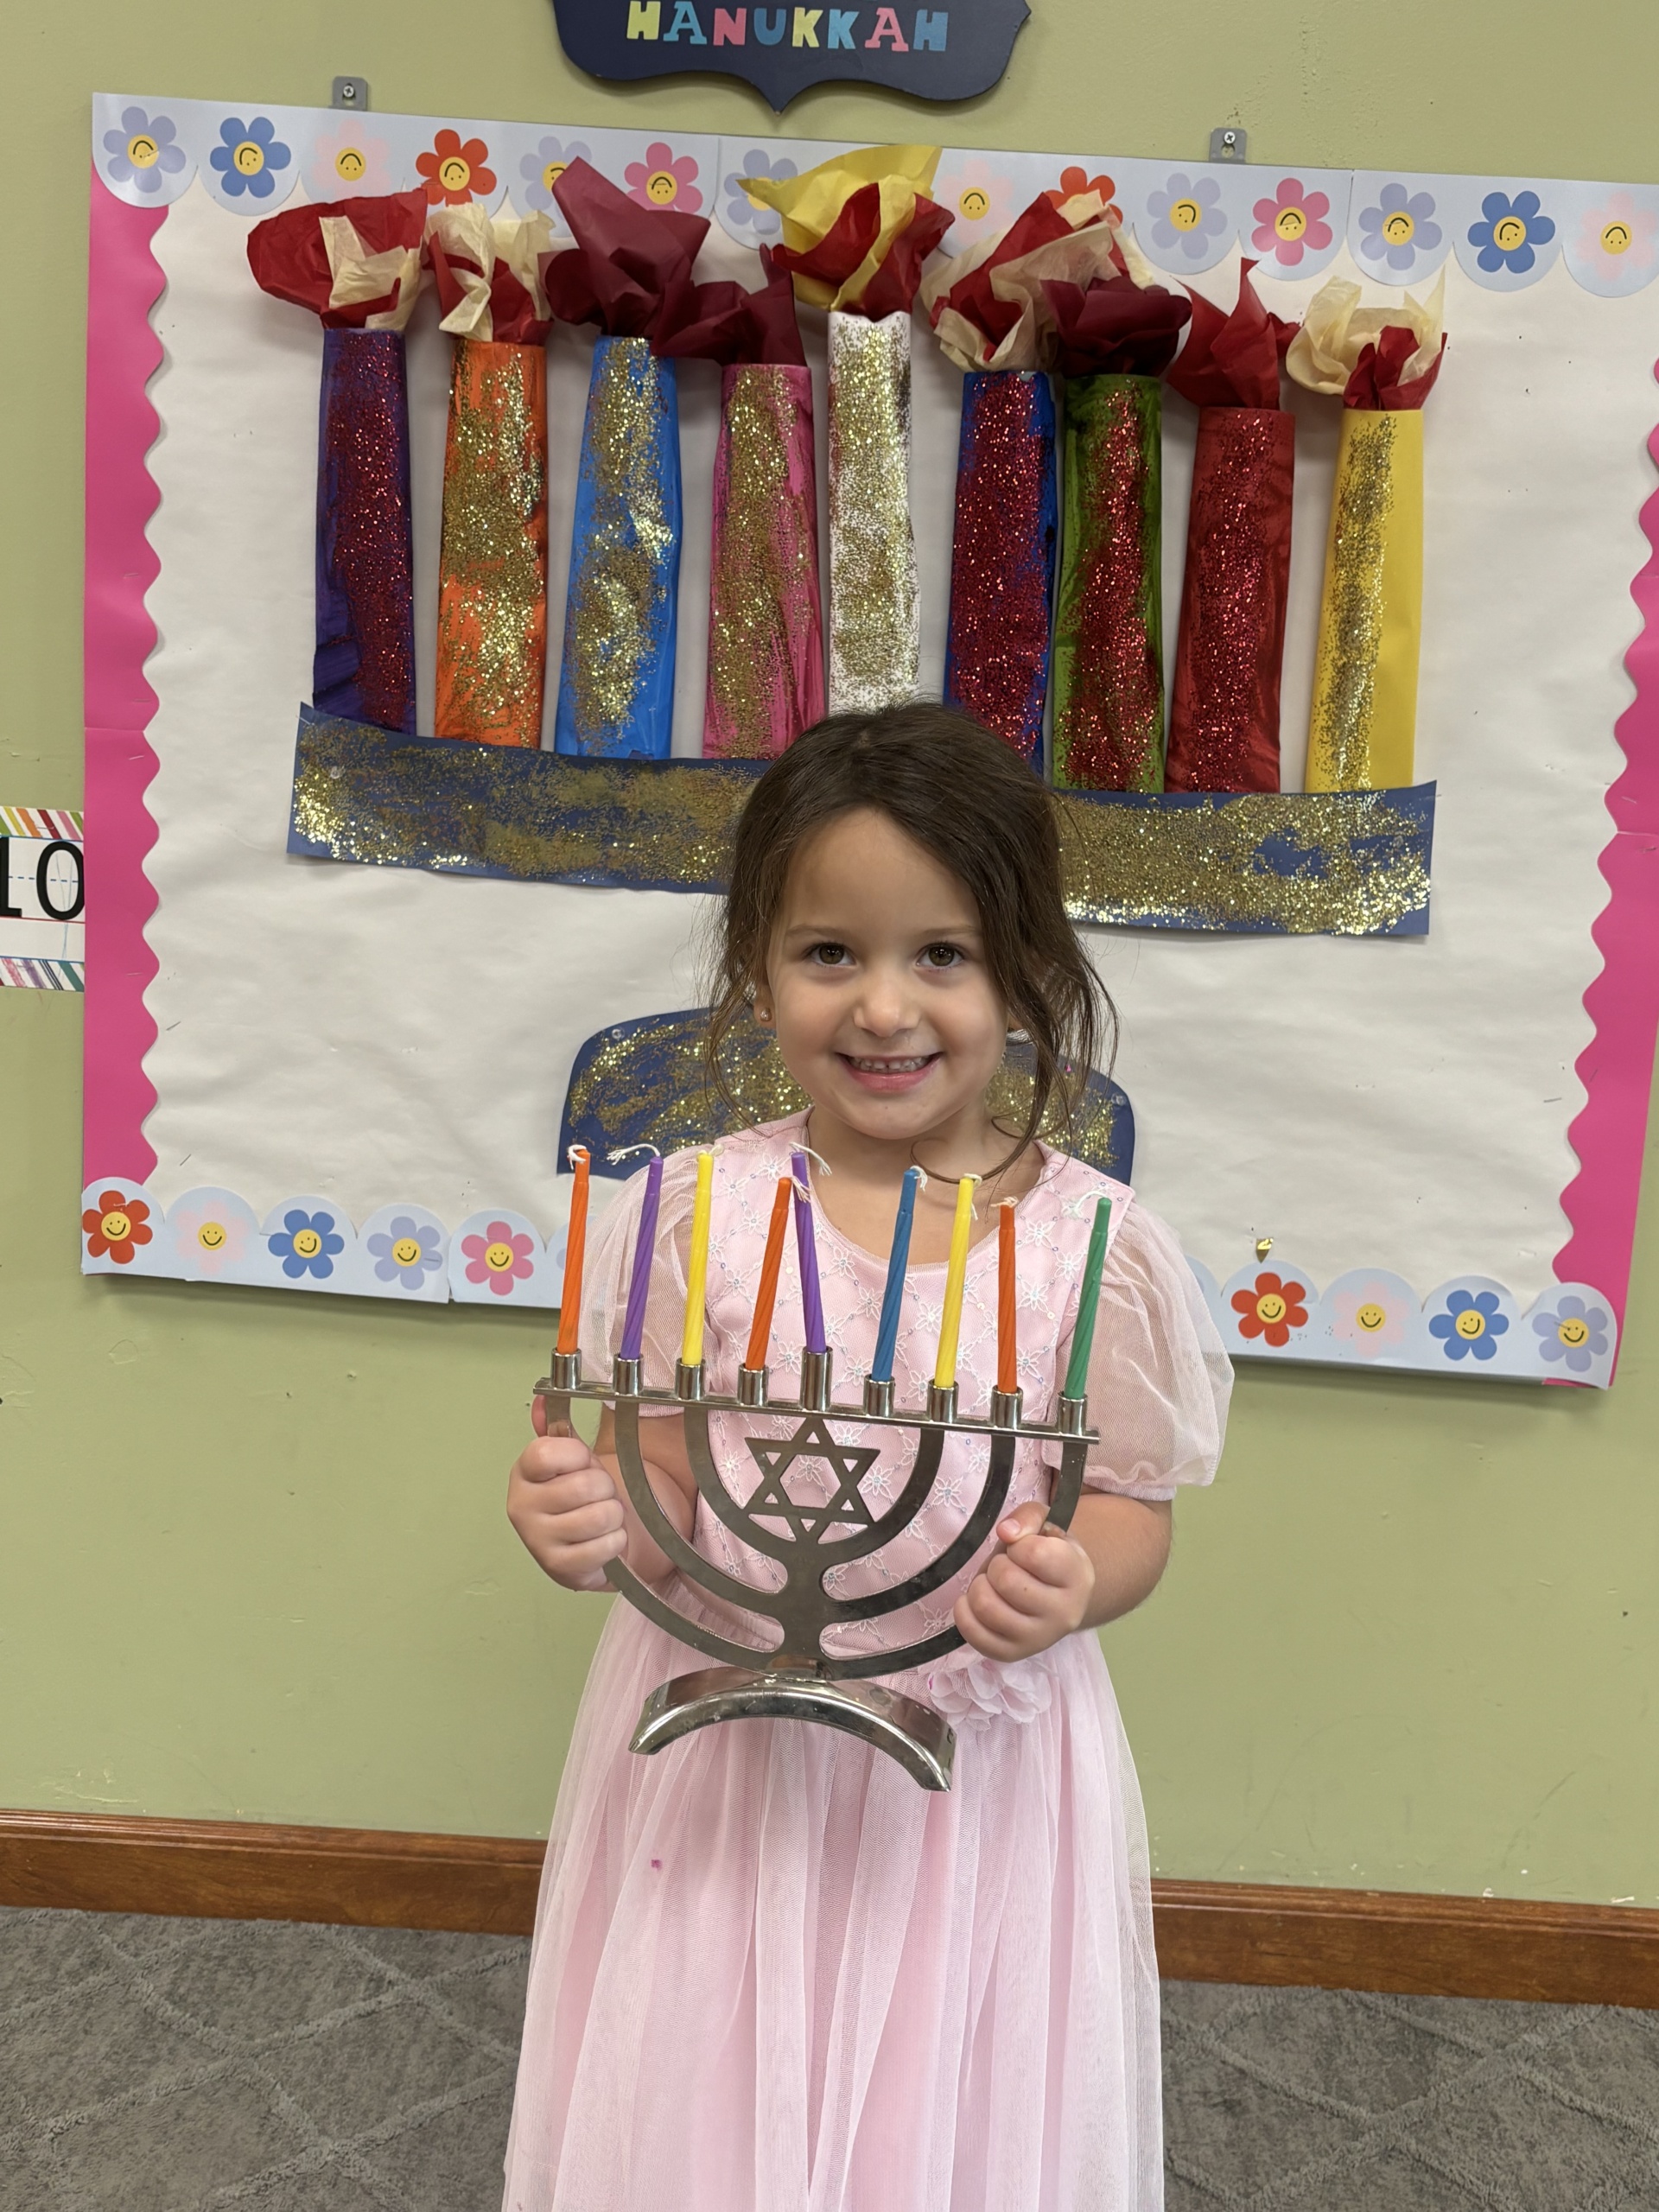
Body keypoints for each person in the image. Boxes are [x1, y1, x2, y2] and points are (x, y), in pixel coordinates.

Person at [502, 704, 1231, 2212]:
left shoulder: (1094, 1248)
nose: (884, 1007)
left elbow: (1129, 1507)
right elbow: (665, 1472)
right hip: (732, 1734)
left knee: (949, 2085)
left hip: (975, 1749)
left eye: (941, 955)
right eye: (829, 952)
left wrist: (1079, 1577)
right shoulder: (697, 1211)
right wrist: (597, 1519)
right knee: (710, 2060)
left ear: (1024, 971)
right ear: (756, 968)